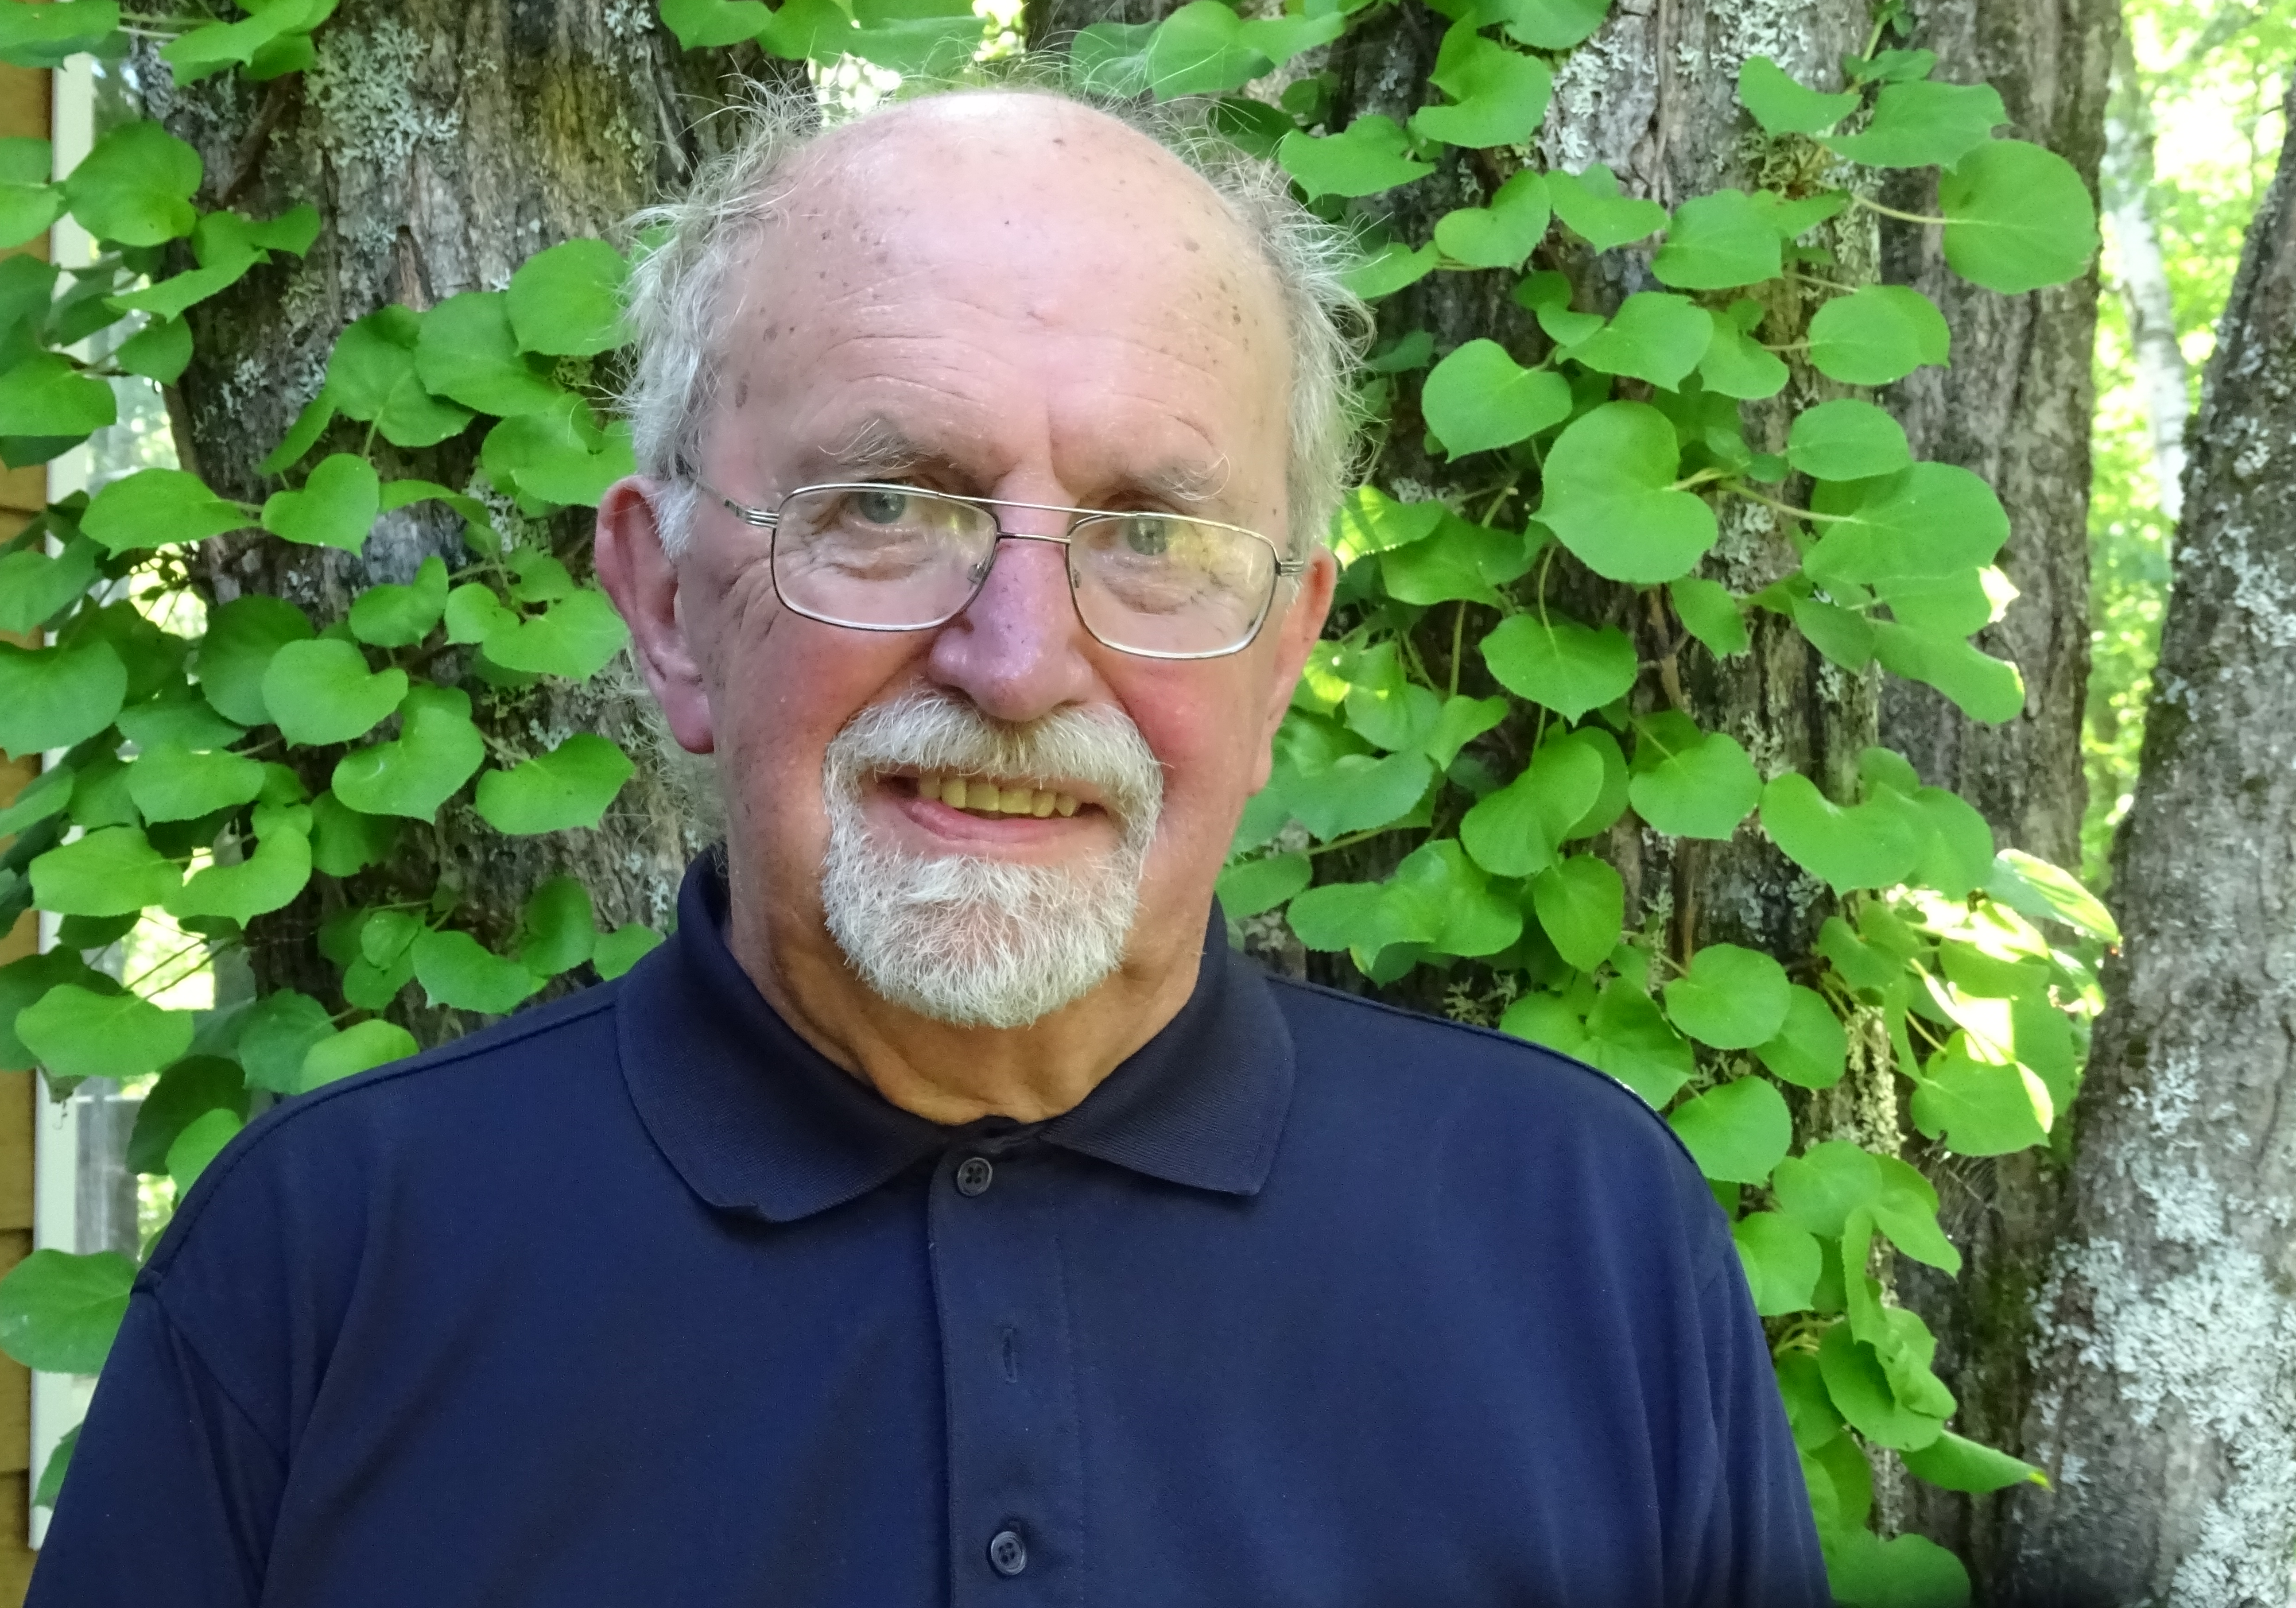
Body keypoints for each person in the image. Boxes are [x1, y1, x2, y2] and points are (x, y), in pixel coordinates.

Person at [29, 83, 1828, 1606]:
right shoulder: (326, 1272)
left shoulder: (1582, 1242)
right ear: (666, 607)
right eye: (885, 507)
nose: (1024, 661)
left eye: (1151, 534)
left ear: (1284, 654)